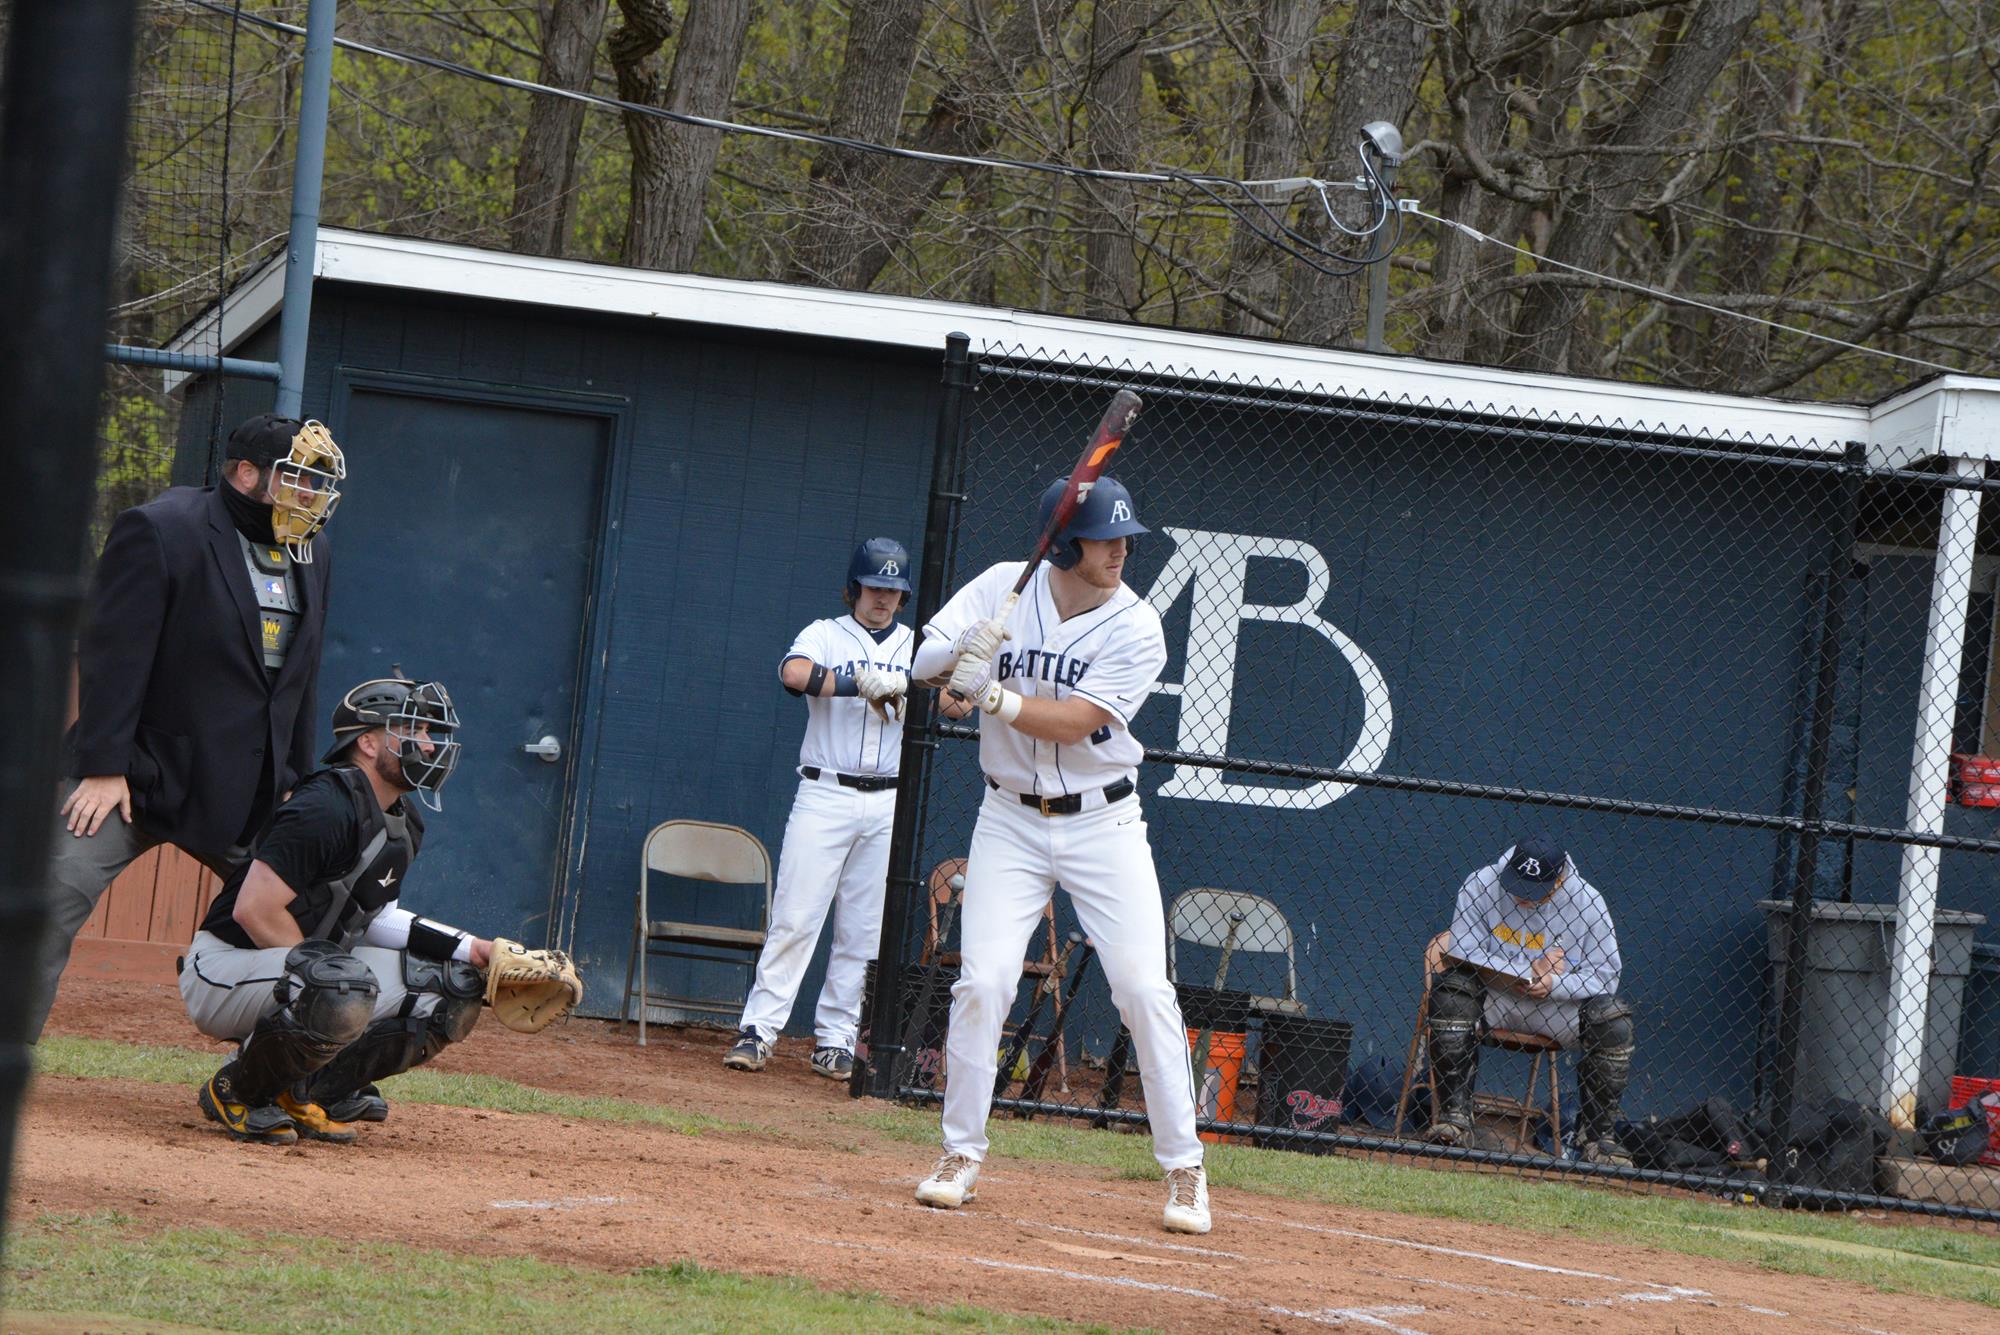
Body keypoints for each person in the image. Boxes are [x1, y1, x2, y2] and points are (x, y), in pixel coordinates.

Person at [902, 476, 1211, 1236]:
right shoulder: (1004, 586)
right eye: (1107, 539)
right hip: (1006, 816)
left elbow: (1074, 722)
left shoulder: (1138, 626)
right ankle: (958, 1155)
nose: (1121, 551)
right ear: (1065, 545)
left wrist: (993, 694)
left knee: (1143, 988)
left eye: (1124, 538)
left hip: (1102, 823)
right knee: (984, 981)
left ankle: (1185, 1168)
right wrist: (957, 659)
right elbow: (921, 667)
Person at [31, 414, 345, 1040]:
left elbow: (300, 676)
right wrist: (103, 767)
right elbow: (114, 656)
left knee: (315, 913)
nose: (308, 496)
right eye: (295, 479)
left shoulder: (313, 550)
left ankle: (299, 1070)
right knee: (44, 902)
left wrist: (296, 782)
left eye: (316, 483)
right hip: (138, 778)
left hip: (245, 792)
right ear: (247, 473)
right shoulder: (163, 528)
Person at [180, 676, 490, 1145]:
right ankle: (238, 1090)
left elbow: (380, 918)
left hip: (298, 968)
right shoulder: (324, 806)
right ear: (367, 741)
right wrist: (327, 977)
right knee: (341, 984)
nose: (427, 746)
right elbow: (254, 911)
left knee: (453, 988)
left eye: (430, 734)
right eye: (413, 731)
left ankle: (315, 1091)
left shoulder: (405, 821)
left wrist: (474, 949)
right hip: (224, 966)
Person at [724, 539, 918, 1080]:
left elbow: (955, 703)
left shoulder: (916, 647)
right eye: (875, 587)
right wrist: (861, 683)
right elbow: (793, 673)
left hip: (887, 801)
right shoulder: (825, 632)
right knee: (796, 915)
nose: (883, 598)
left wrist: (919, 683)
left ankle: (833, 1039)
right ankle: (758, 1031)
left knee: (862, 930)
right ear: (855, 587)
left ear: (903, 597)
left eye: (893, 590)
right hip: (825, 791)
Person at [1422, 834, 1636, 1165]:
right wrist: (1525, 970)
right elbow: (1460, 949)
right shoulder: (1483, 883)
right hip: (1496, 997)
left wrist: (1555, 982)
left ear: (1560, 878)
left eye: (1535, 889)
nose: (1522, 896)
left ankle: (1597, 1140)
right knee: (1451, 991)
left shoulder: (1588, 901)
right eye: (1518, 883)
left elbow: (1607, 974)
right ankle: (1455, 1119)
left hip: (1556, 1007)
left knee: (1614, 1019)